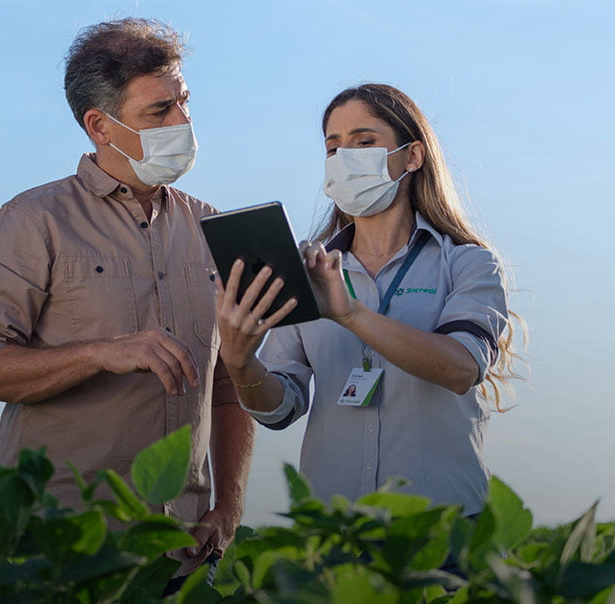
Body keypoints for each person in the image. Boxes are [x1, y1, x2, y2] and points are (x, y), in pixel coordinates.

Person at [0, 18, 254, 575]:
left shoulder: (214, 228)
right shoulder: (32, 221)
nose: (183, 122)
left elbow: (230, 384)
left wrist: (229, 507)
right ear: (100, 126)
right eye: (159, 111)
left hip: (182, 552)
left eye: (184, 102)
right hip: (63, 550)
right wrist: (100, 353)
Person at [216, 83, 524, 517]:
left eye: (364, 142)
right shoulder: (305, 269)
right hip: (335, 532)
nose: (346, 158)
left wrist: (351, 314)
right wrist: (240, 362)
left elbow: (461, 368)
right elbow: (280, 408)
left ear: (412, 156)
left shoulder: (468, 264)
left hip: (443, 530)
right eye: (333, 147)